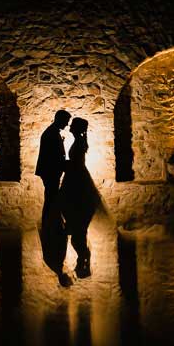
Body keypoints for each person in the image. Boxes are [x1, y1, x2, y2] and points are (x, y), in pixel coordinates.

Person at [60, 117, 98, 278]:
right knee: (77, 229)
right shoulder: (79, 141)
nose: (69, 126)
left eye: (72, 125)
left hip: (76, 182)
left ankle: (84, 257)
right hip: (76, 179)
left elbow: (76, 164)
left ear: (77, 128)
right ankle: (83, 257)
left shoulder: (79, 143)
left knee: (77, 229)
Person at [35, 109, 70, 226]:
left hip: (50, 171)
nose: (67, 124)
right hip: (50, 172)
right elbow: (52, 156)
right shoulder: (51, 133)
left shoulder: (52, 132)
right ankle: (49, 223)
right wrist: (64, 164)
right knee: (51, 197)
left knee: (51, 197)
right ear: (60, 119)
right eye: (66, 121)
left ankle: (50, 222)